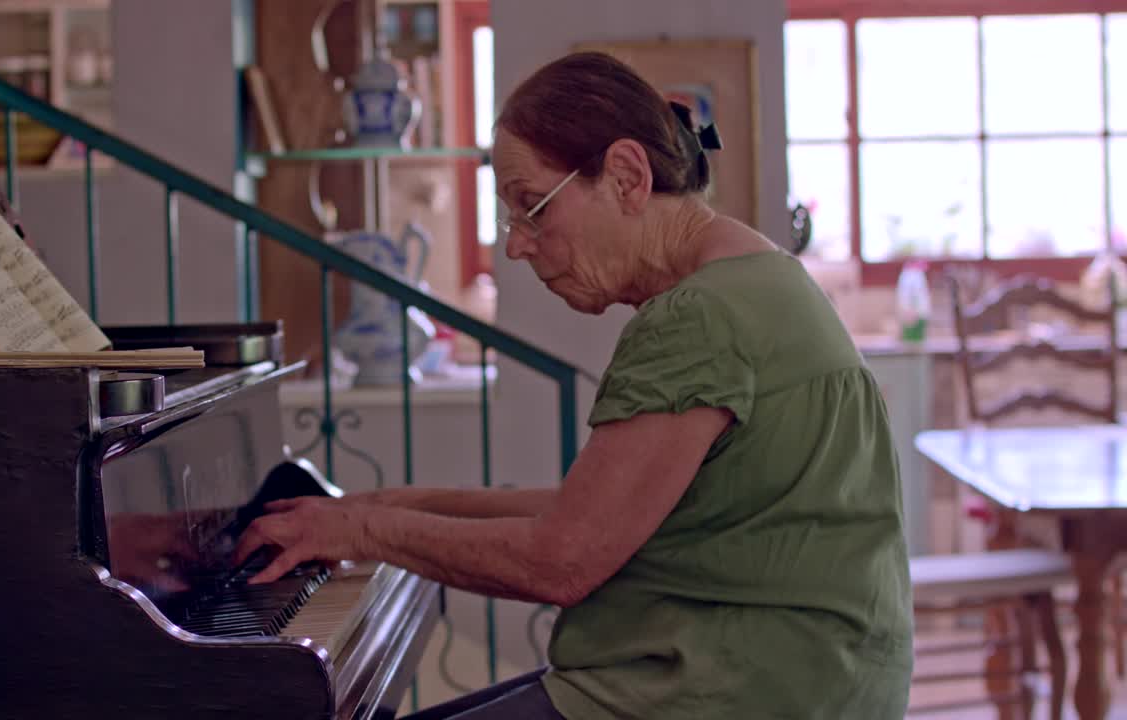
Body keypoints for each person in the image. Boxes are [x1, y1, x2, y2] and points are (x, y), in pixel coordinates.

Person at [235, 51, 913, 719]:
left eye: (532, 207)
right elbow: (591, 512)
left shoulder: (699, 318)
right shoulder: (758, 278)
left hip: (746, 690)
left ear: (625, 176)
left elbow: (563, 560)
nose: (516, 245)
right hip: (816, 679)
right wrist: (393, 504)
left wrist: (362, 530)